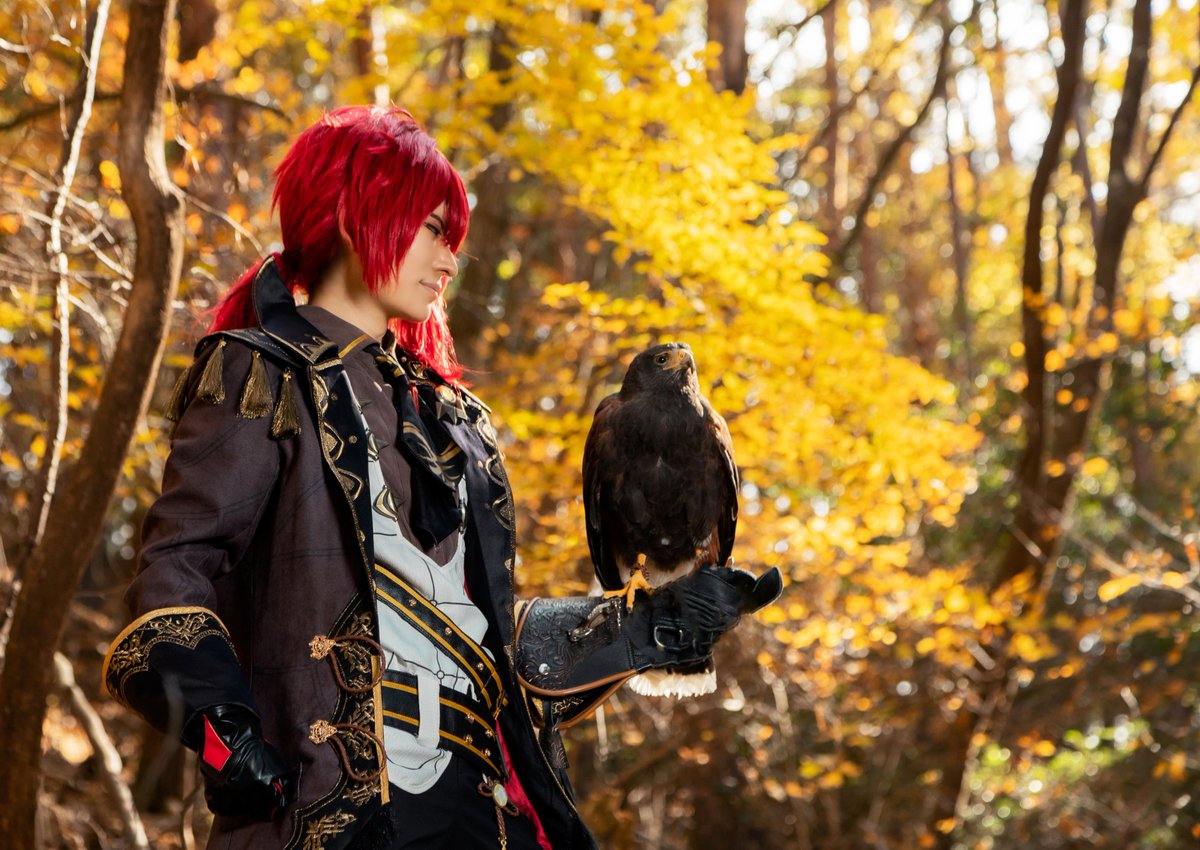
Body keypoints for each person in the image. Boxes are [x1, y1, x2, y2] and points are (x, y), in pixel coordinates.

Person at [101, 105, 780, 850]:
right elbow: (173, 574)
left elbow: (486, 647)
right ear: (354, 215)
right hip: (331, 818)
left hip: (485, 819)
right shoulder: (262, 373)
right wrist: (223, 731)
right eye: (432, 229)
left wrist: (649, 623)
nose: (450, 261)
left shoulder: (454, 419)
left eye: (452, 238)